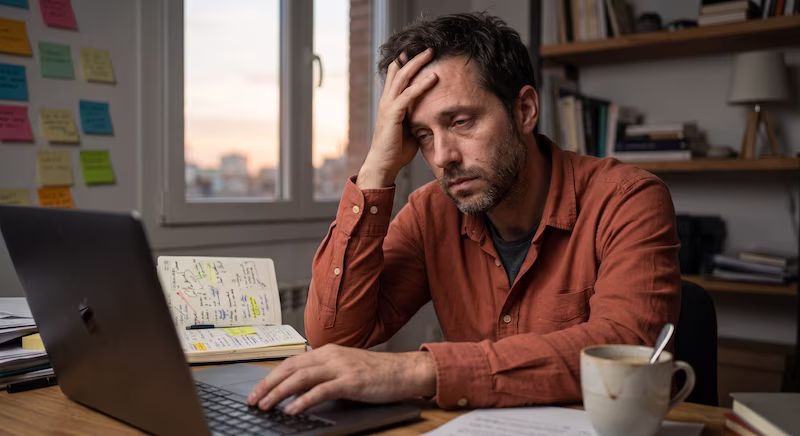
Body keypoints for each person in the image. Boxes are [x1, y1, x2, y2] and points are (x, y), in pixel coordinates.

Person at [248, 12, 680, 415]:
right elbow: (334, 338)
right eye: (422, 135)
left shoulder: (628, 199)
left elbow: (627, 348)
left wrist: (416, 372)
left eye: (460, 122)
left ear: (525, 110)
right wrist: (377, 167)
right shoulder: (430, 213)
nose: (442, 157)